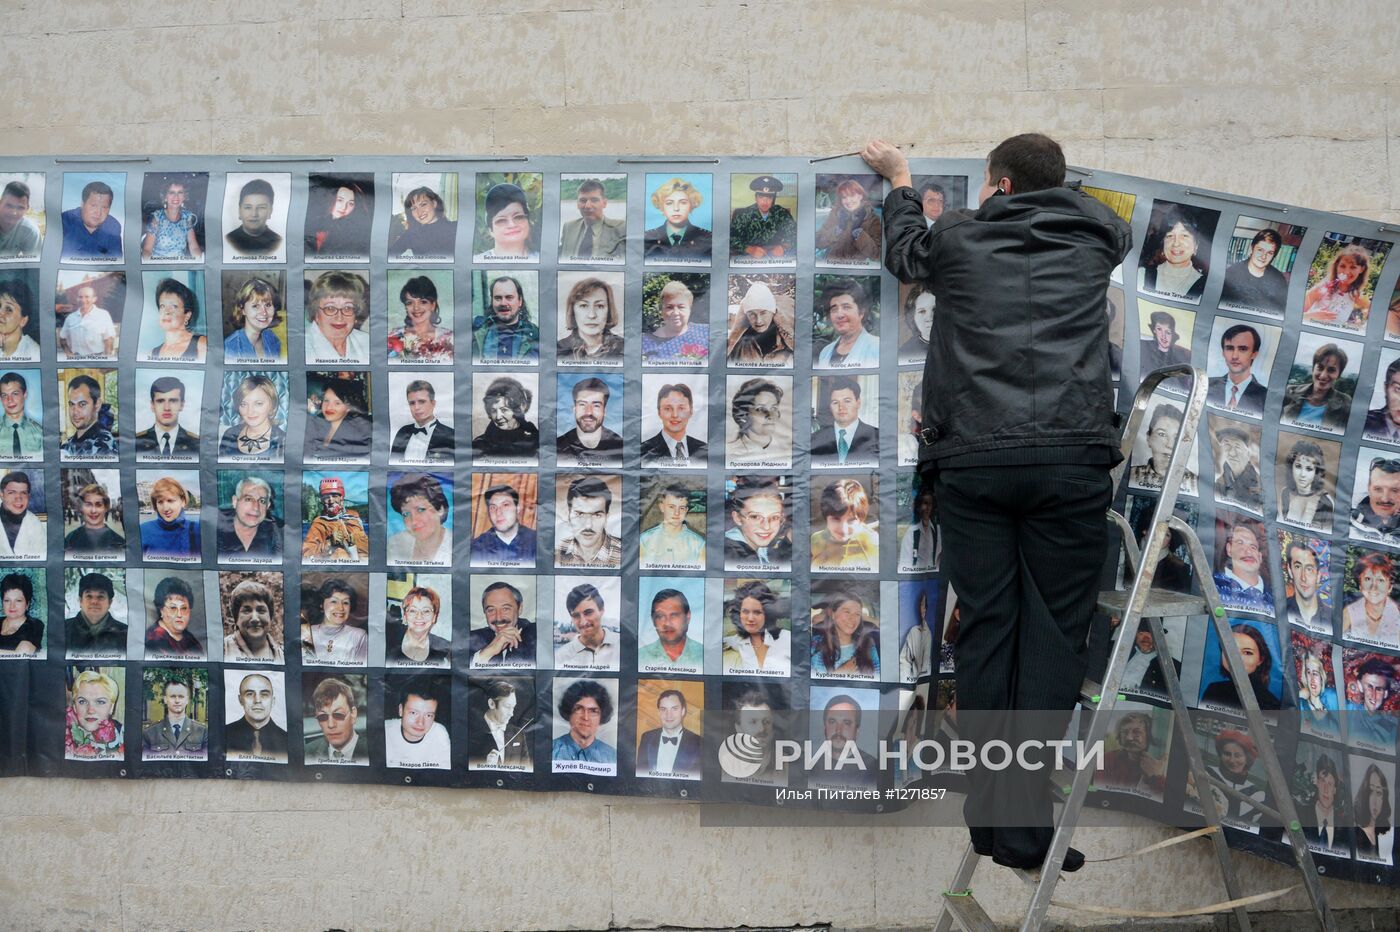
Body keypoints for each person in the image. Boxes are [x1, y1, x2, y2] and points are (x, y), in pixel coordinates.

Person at [865, 131, 1131, 871]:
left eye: (988, 185)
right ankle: (1021, 827)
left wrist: (900, 179)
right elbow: (1109, 225)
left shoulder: (957, 237)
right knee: (1049, 640)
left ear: (1001, 187)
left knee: (987, 630)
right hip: (1069, 463)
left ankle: (991, 821)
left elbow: (904, 253)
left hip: (975, 463)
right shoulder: (1098, 236)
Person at [1200, 623, 1280, 711]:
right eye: (1229, 650)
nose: (1236, 658)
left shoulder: (1271, 704)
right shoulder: (1213, 690)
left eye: (1247, 652)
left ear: (1261, 659)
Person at [809, 478, 879, 572]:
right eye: (836, 519)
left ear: (860, 519)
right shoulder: (816, 541)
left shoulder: (872, 543)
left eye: (851, 520)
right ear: (826, 517)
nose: (844, 529)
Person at [721, 580, 790, 675]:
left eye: (757, 612)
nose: (750, 618)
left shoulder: (788, 639)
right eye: (745, 612)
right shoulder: (736, 641)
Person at [1138, 207, 1208, 301]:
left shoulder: (1206, 287)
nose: (1176, 243)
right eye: (1170, 236)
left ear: (1196, 245)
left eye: (1184, 236)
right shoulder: (1141, 274)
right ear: (1163, 243)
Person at [1129, 402, 1197, 494]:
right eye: (1162, 434)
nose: (1170, 445)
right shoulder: (1130, 475)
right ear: (1148, 438)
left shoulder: (1196, 483)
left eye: (1176, 437)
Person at [724, 478, 792, 569]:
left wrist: (787, 543)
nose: (766, 527)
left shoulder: (757, 547)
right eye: (755, 517)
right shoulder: (730, 554)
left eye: (774, 517)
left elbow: (771, 558)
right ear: (737, 518)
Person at [1282, 342, 1351, 431]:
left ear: (1339, 375)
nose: (1323, 375)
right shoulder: (1289, 391)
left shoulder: (1346, 403)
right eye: (1320, 367)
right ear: (1313, 369)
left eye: (1331, 370)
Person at [811, 376, 879, 467]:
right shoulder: (814, 440)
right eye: (835, 402)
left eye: (847, 401)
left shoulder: (878, 437)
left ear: (858, 403)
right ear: (830, 406)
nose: (841, 407)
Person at [304, 270, 370, 363]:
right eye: (330, 308)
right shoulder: (302, 346)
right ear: (316, 313)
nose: (339, 317)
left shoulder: (367, 342)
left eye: (347, 308)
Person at [467, 581, 538, 667]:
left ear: (520, 609)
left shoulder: (538, 634)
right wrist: (487, 653)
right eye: (491, 610)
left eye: (505, 609)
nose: (498, 618)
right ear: (484, 612)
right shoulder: (470, 639)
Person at [554, 477, 621, 569]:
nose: (588, 525)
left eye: (597, 515)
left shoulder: (626, 553)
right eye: (580, 514)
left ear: (607, 517)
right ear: (568, 516)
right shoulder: (555, 554)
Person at [810, 590, 880, 678]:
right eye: (847, 612)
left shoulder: (868, 644)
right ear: (833, 614)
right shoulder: (814, 644)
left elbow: (878, 678)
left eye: (857, 614)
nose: (852, 619)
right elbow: (807, 684)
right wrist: (839, 673)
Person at [556, 377, 623, 467]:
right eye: (582, 404)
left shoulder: (620, 447)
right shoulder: (557, 447)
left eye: (596, 405)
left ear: (605, 411)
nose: (588, 412)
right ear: (574, 409)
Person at [387, 473, 452, 565]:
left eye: (421, 510)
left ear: (440, 509)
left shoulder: (458, 546)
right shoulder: (394, 544)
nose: (414, 521)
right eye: (406, 513)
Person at [384, 676, 451, 768]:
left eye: (428, 715)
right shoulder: (385, 731)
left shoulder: (439, 734)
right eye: (413, 713)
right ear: (400, 710)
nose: (420, 722)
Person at [1203, 730, 1267, 825]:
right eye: (1227, 754)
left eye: (1238, 755)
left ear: (1247, 759)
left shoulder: (1257, 795)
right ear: (1220, 755)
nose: (1232, 760)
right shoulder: (1206, 773)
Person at [814, 277, 880, 368]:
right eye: (834, 309)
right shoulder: (825, 353)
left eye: (846, 307)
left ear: (861, 312)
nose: (839, 315)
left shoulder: (877, 347)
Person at [1094, 712, 1166, 796]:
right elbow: (1100, 790)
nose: (1129, 738)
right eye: (1125, 732)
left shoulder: (1160, 762)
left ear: (1149, 736)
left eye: (1137, 732)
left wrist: (1156, 776)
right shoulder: (1107, 759)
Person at [556, 276, 624, 364]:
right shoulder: (558, 349)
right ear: (573, 311)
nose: (592, 315)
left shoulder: (625, 348)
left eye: (600, 306)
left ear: (609, 311)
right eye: (583, 306)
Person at [726, 280, 795, 365]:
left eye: (763, 313)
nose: (758, 320)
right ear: (746, 316)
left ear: (773, 313)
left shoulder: (786, 346)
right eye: (752, 314)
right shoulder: (739, 347)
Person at [301, 477, 369, 563]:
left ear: (341, 497)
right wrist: (330, 543)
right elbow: (305, 556)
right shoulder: (318, 524)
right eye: (326, 497)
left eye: (335, 496)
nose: (331, 501)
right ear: (322, 500)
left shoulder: (354, 517)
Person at [472, 275, 539, 362]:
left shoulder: (536, 335)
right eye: (498, 298)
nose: (503, 303)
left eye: (509, 297)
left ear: (520, 301)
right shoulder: (477, 329)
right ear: (492, 301)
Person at [635, 689, 701, 778]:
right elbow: (640, 775)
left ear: (683, 711)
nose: (668, 715)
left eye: (674, 709)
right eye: (663, 709)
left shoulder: (699, 743)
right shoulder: (646, 737)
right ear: (659, 712)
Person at [1220, 228, 1288, 314]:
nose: (1263, 256)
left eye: (1270, 253)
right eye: (1260, 250)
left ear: (1274, 255)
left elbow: (1280, 312)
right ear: (1252, 247)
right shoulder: (1231, 272)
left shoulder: (1279, 280)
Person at [388, 275, 454, 363]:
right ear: (405, 307)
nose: (416, 308)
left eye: (423, 302)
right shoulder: (393, 337)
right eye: (410, 302)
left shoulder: (450, 339)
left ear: (433, 305)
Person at [301, 577, 368, 665]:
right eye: (334, 601)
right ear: (321, 604)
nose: (340, 608)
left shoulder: (359, 636)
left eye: (345, 603)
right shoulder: (306, 633)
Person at [218, 374, 285, 460]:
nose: (250, 411)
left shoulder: (283, 440)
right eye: (243, 404)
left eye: (258, 403)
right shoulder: (230, 434)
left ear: (272, 405)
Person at [467, 680, 532, 769]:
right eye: (507, 707)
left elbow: (526, 770)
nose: (511, 713)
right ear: (492, 704)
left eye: (513, 707)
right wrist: (485, 766)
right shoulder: (469, 731)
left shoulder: (518, 734)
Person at [641, 279, 709, 365]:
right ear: (662, 310)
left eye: (681, 307)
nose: (675, 313)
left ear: (690, 309)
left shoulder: (706, 332)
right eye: (669, 307)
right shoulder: (645, 342)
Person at [215, 475, 282, 560]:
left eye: (262, 501)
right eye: (248, 499)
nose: (256, 507)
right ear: (235, 501)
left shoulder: (277, 531)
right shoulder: (215, 527)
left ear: (267, 506)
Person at [638, 482, 705, 568]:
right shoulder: (645, 539)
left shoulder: (699, 543)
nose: (676, 513)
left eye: (681, 508)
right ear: (662, 507)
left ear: (686, 510)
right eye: (671, 507)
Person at [1304, 244, 1373, 327]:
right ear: (1336, 266)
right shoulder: (1322, 288)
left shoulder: (1357, 296)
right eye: (1342, 266)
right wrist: (1311, 316)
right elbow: (1295, 314)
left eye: (1353, 267)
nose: (1346, 272)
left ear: (1361, 269)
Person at [471, 376, 539, 460]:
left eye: (504, 410)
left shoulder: (537, 441)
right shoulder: (479, 445)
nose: (498, 417)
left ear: (520, 408)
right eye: (493, 411)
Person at [640, 382, 708, 466]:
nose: (675, 415)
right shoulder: (643, 451)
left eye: (681, 408)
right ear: (659, 412)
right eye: (668, 409)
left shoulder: (705, 450)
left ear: (691, 411)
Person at [644, 177, 711, 261]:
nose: (676, 208)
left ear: (692, 206)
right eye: (669, 203)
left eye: (683, 203)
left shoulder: (708, 238)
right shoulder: (646, 238)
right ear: (661, 208)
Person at [730, 175, 796, 260]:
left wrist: (783, 247)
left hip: (776, 258)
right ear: (756, 198)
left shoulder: (782, 213)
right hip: (748, 258)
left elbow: (795, 235)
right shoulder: (742, 214)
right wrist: (749, 249)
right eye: (761, 197)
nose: (765, 202)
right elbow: (731, 238)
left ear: (773, 199)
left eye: (769, 198)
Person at [1211, 522, 1272, 615]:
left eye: (1253, 547)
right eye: (1240, 543)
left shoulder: (1276, 597)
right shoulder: (1212, 585)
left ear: (1260, 557)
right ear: (1229, 549)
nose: (1248, 551)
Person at [1206, 324, 1266, 416]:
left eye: (1242, 349)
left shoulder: (1266, 398)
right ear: (1223, 353)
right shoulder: (1205, 385)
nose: (1234, 356)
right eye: (1229, 348)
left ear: (1254, 354)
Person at [554, 583, 618, 670]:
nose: (583, 622)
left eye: (588, 612)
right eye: (576, 615)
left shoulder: (624, 645)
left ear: (601, 610)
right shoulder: (561, 656)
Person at [305, 377, 372, 460]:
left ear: (349, 407)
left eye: (337, 403)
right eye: (326, 400)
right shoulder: (316, 424)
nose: (329, 407)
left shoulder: (361, 431)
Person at [469, 484, 537, 566]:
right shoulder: (476, 548)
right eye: (493, 507)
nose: (498, 513)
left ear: (517, 508)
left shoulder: (536, 541)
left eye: (505, 505)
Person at [225, 672, 288, 760]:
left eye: (264, 694)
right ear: (240, 700)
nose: (257, 700)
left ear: (273, 701)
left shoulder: (287, 740)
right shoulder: (223, 735)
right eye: (250, 694)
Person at [816, 178, 881, 263]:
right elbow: (817, 242)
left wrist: (859, 234)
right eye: (844, 197)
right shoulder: (835, 214)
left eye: (852, 195)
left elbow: (877, 255)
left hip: (856, 268)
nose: (848, 201)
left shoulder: (872, 219)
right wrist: (836, 231)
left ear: (860, 196)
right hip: (831, 264)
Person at [1343, 552, 1400, 647]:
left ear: (1389, 587)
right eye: (1368, 579)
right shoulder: (1349, 612)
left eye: (1381, 580)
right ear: (1360, 585)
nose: (1374, 587)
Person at [552, 679, 616, 764]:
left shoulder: (612, 756)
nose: (586, 717)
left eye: (593, 711)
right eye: (578, 709)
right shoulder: (550, 750)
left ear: (601, 716)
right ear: (569, 712)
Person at [390, 379, 455, 464]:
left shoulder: (450, 435)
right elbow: (393, 466)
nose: (416, 407)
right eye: (412, 403)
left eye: (421, 402)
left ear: (433, 403)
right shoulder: (402, 432)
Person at [638, 588, 704, 671]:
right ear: (653, 620)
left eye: (674, 615)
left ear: (688, 616)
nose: (667, 623)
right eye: (660, 616)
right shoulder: (639, 658)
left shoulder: (705, 656)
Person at [135, 376, 200, 458]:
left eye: (173, 401)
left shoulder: (197, 444)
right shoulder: (136, 442)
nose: (167, 408)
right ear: (152, 405)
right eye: (160, 401)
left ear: (182, 405)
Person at [141, 678, 207, 759]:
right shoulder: (150, 733)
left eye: (181, 696)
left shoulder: (201, 731)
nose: (177, 700)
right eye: (173, 696)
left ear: (187, 700)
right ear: (165, 699)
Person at [304, 677, 365, 764]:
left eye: (338, 715)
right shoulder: (307, 752)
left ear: (353, 714)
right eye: (323, 717)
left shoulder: (374, 750)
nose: (331, 724)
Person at [222, 276, 284, 362]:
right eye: (255, 306)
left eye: (268, 305)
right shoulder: (231, 347)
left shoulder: (272, 338)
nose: (264, 312)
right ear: (242, 309)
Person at [304, 178, 370, 258]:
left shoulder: (356, 232)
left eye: (350, 204)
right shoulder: (313, 222)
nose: (344, 207)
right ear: (331, 198)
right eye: (340, 200)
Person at [560, 179, 625, 260]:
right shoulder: (568, 227)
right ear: (577, 204)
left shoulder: (621, 228)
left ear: (604, 203)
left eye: (594, 200)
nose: (587, 206)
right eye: (583, 200)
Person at [222, 578, 284, 663]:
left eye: (261, 610)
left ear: (270, 617)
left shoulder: (284, 655)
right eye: (247, 611)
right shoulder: (221, 649)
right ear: (236, 618)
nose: (255, 618)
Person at [139, 476, 201, 561]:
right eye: (160, 502)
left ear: (183, 501)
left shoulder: (198, 529)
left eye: (170, 501)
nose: (165, 508)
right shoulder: (142, 530)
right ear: (155, 505)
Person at [65, 571, 126, 657]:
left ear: (110, 602)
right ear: (80, 601)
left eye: (100, 597)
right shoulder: (62, 630)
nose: (94, 601)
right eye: (89, 596)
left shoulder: (126, 634)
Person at [65, 670, 123, 759]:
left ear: (111, 707)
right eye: (82, 701)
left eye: (100, 702)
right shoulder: (63, 737)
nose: (90, 710)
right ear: (75, 707)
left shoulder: (124, 736)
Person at [386, 586, 450, 667]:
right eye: (413, 610)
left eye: (426, 611)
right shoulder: (387, 638)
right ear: (405, 616)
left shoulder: (445, 649)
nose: (419, 616)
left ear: (434, 617)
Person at [146, 277, 207, 361]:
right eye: (162, 306)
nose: (166, 312)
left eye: (174, 306)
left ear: (187, 315)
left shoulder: (201, 344)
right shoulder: (152, 353)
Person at [1279, 440, 1335, 531]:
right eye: (1298, 466)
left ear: (1316, 472)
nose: (1302, 474)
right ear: (1291, 467)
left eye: (1309, 469)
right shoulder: (1285, 492)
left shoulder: (1325, 502)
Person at [727, 377, 786, 464]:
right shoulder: (728, 453)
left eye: (774, 408)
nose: (770, 415)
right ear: (743, 414)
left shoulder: (787, 451)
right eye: (760, 409)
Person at [141, 178, 202, 261]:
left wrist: (199, 260)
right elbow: (147, 250)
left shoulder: (186, 218)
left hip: (180, 266)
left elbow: (194, 247)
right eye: (172, 192)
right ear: (165, 197)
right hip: (159, 266)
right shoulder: (157, 218)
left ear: (184, 197)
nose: (176, 196)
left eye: (180, 192)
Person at [143, 575, 203, 657]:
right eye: (173, 608)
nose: (179, 614)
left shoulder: (192, 641)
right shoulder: (152, 641)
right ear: (161, 610)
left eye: (184, 608)